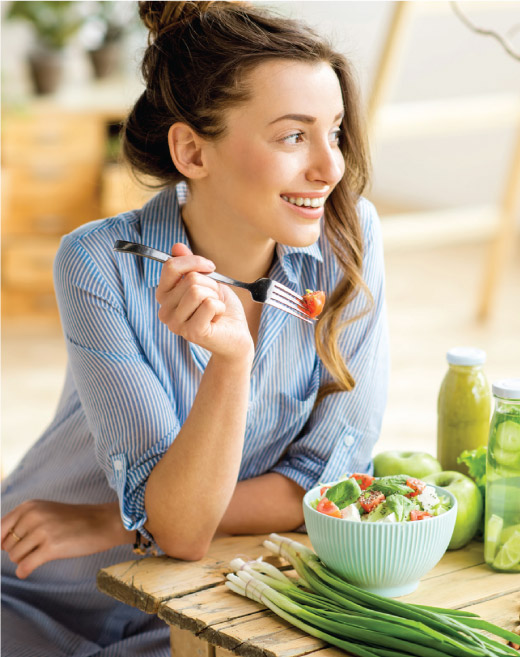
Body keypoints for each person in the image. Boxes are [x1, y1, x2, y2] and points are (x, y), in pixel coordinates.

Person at [1, 1, 389, 655]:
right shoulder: (100, 261)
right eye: (294, 136)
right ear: (191, 150)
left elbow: (327, 480)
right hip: (39, 591)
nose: (331, 167)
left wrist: (116, 520)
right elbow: (179, 526)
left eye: (335, 131)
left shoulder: (349, 241)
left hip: (189, 611)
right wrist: (231, 367)